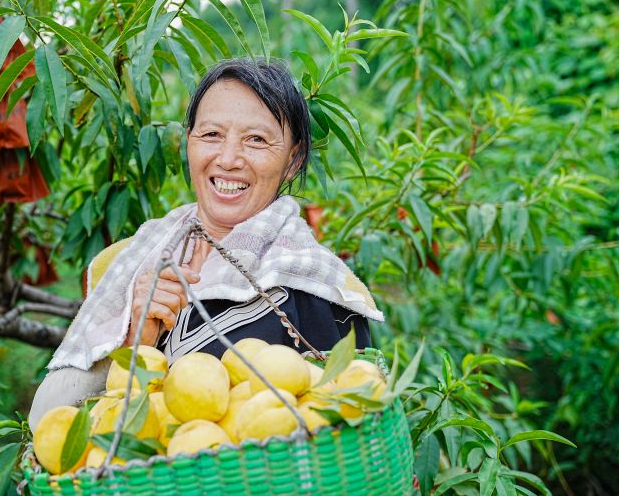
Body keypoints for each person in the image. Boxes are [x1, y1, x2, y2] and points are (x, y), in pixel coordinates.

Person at [28, 58, 384, 429]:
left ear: (293, 160)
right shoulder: (127, 262)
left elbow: (346, 422)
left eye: (257, 140)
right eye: (211, 135)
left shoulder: (316, 286)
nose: (228, 159)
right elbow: (78, 425)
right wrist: (137, 339)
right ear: (188, 144)